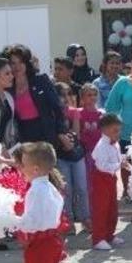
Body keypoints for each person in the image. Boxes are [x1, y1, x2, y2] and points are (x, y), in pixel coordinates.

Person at [16, 142, 67, 263]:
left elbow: (32, 222)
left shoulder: (36, 190)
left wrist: (12, 220)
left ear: (35, 169)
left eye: (23, 164)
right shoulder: (48, 187)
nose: (20, 168)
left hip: (40, 242)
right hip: (50, 241)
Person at [7, 45, 71, 151]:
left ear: (27, 63)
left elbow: (57, 107)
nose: (17, 66)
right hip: (22, 136)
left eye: (21, 62)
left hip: (45, 133)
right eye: (13, 63)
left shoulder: (41, 81)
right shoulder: (8, 87)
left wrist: (61, 132)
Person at [53, 83, 90, 233]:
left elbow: (76, 135)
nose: (67, 98)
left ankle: (85, 218)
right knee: (65, 188)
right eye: (63, 95)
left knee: (81, 187)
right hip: (61, 155)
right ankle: (68, 220)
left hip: (75, 153)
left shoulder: (74, 112)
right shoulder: (52, 114)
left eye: (69, 94)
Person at [90, 113, 125, 251]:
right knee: (101, 209)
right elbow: (102, 166)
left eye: (119, 130)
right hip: (101, 179)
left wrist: (122, 160)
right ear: (104, 130)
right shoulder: (101, 146)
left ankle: (109, 235)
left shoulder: (114, 144)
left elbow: (115, 160)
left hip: (111, 179)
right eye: (115, 130)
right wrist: (118, 165)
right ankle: (98, 238)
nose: (118, 133)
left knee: (112, 208)